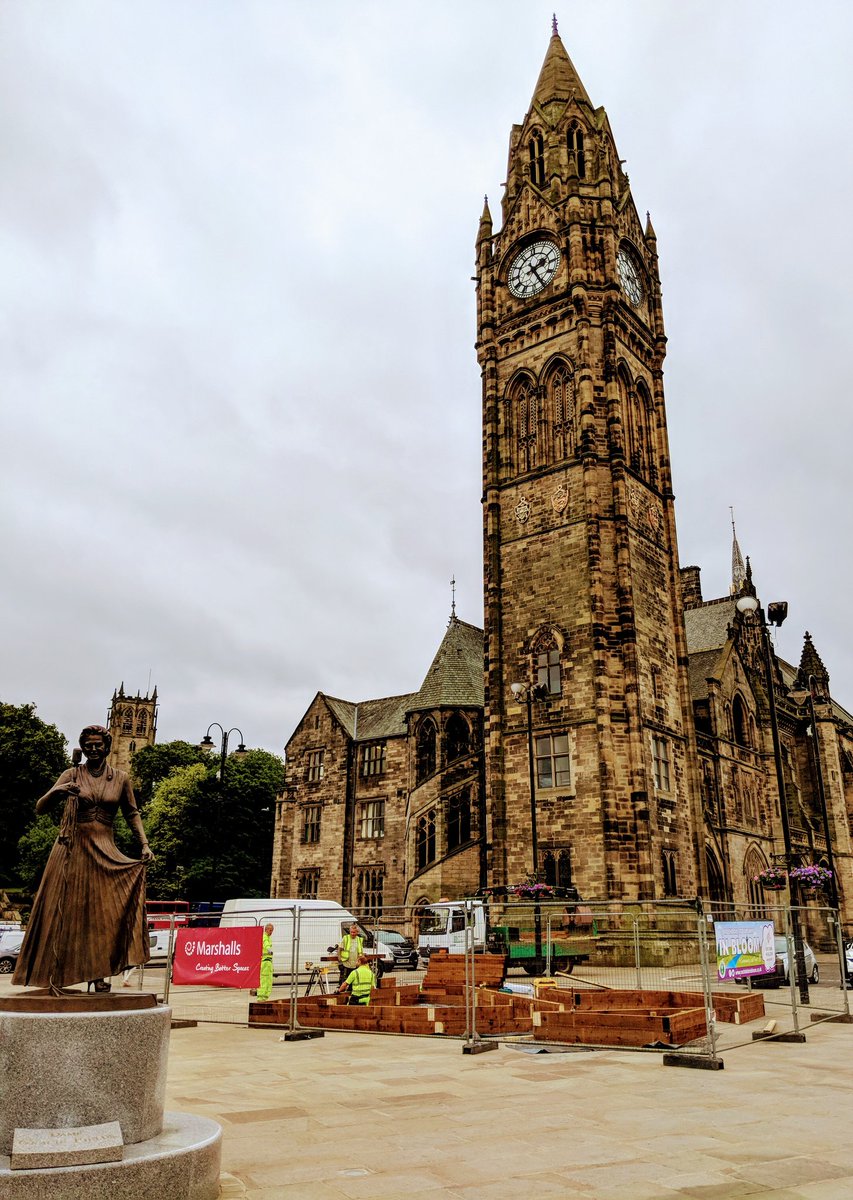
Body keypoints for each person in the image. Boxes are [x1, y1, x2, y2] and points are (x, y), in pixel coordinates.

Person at [13, 725, 155, 992]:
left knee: (104, 916)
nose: (93, 749)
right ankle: (51, 973)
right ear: (82, 747)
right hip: (71, 847)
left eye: (98, 745)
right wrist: (59, 791)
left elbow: (132, 813)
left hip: (105, 849)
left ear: (107, 746)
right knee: (64, 910)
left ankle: (99, 973)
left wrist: (144, 845)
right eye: (88, 745)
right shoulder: (71, 774)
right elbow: (40, 808)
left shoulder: (121, 778)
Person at [337, 922, 363, 987]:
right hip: (346, 964)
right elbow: (339, 949)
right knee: (344, 981)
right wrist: (339, 959)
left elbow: (361, 952)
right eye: (351, 932)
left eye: (354, 932)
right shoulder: (346, 938)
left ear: (357, 932)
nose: (352, 934)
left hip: (355, 965)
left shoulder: (359, 940)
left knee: (354, 982)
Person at [256, 923, 274, 1001]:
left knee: (268, 981)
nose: (271, 932)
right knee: (264, 980)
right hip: (265, 962)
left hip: (268, 962)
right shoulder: (265, 937)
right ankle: (261, 997)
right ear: (266, 929)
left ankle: (265, 997)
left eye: (272, 930)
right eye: (270, 930)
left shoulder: (268, 937)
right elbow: (266, 944)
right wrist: (269, 949)